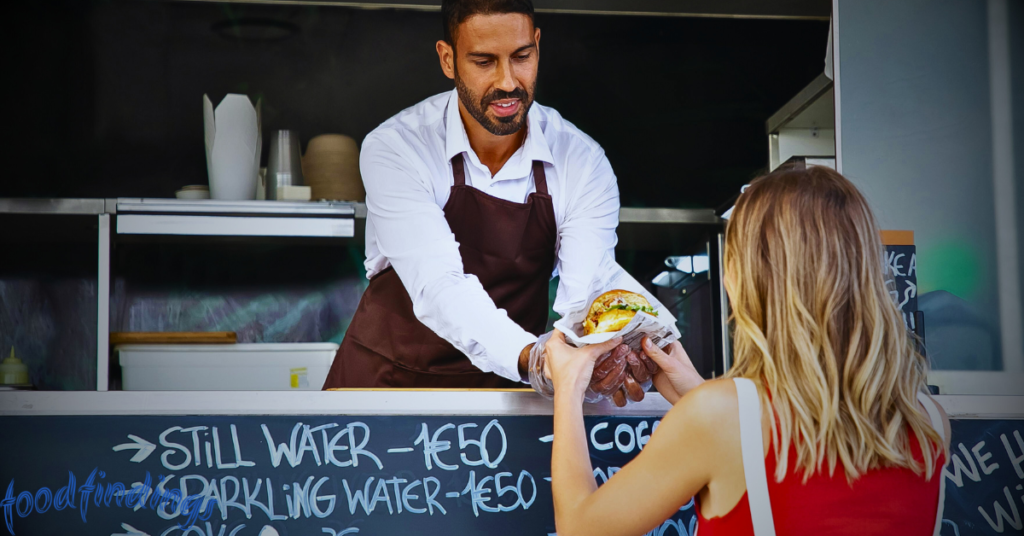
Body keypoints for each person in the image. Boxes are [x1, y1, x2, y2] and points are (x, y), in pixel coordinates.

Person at [544, 165, 951, 535]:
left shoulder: (716, 419)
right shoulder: (930, 421)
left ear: (748, 279)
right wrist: (698, 392)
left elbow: (581, 528)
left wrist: (568, 387)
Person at [322, 0, 652, 391]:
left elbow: (584, 294)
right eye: (484, 61)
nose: (508, 81)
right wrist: (535, 359)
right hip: (384, 390)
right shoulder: (398, 147)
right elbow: (439, 283)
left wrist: (606, 354)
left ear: (537, 45)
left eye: (521, 56)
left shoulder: (580, 161)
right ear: (448, 60)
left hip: (503, 398)